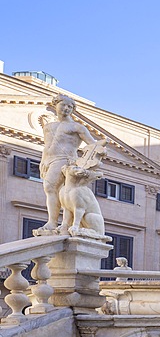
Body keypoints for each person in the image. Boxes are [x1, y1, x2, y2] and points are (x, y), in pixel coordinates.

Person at [37, 95, 103, 234]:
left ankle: (53, 222)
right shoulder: (49, 127)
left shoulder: (77, 127)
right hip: (50, 160)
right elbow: (47, 145)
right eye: (64, 105)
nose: (66, 108)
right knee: (54, 191)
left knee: (52, 188)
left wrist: (99, 153)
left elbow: (93, 145)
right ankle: (59, 222)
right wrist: (44, 160)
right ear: (56, 105)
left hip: (66, 159)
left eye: (70, 107)